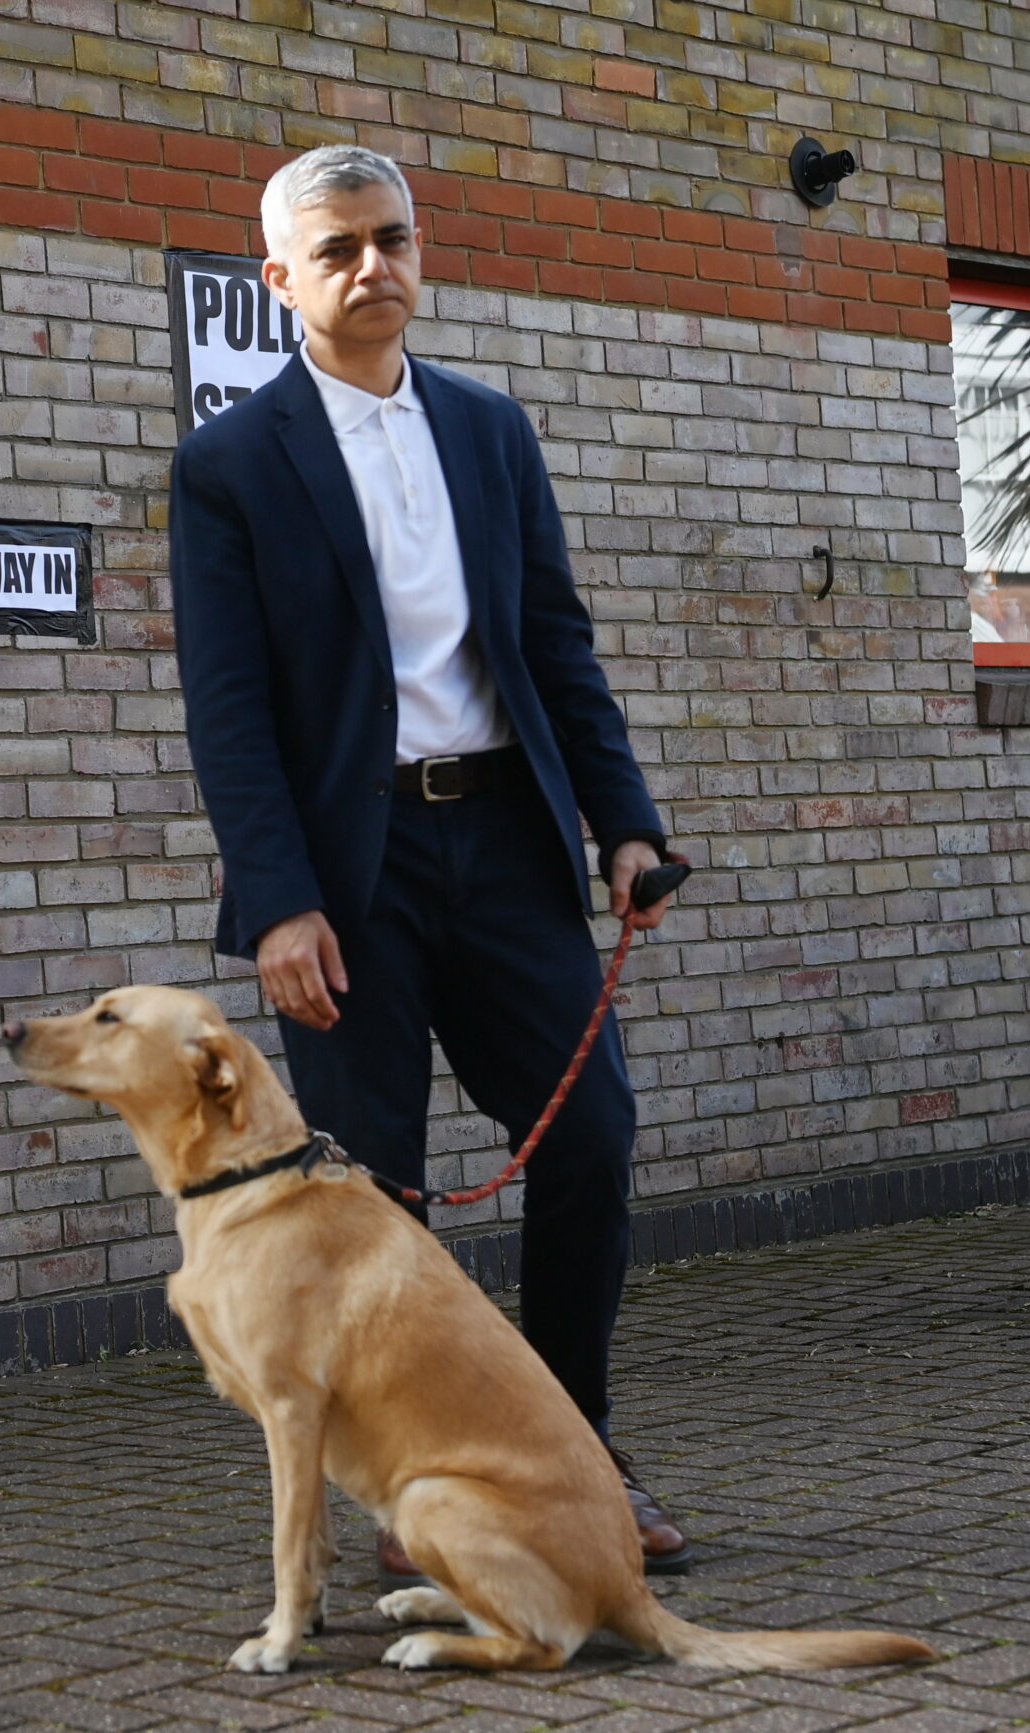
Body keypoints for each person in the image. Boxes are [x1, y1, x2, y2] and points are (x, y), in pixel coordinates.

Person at [169, 144, 693, 1578]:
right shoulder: (227, 468)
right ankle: (416, 1492)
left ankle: (574, 1447)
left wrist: (624, 821)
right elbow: (228, 708)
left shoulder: (490, 430)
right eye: (336, 249)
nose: (372, 267)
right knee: (372, 1197)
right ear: (277, 278)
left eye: (392, 239)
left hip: (508, 842)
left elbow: (554, 647)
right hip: (349, 870)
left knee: (589, 1136)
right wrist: (277, 901)